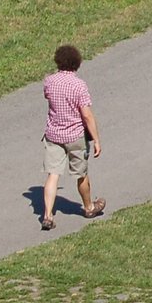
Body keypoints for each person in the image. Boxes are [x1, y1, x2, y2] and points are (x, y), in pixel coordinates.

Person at [40, 44, 105, 231]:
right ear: (77, 63)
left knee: (53, 175)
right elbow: (87, 115)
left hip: (53, 135)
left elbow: (48, 98)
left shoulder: (49, 82)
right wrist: (97, 139)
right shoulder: (79, 86)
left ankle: (47, 216)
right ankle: (89, 207)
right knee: (81, 174)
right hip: (75, 136)